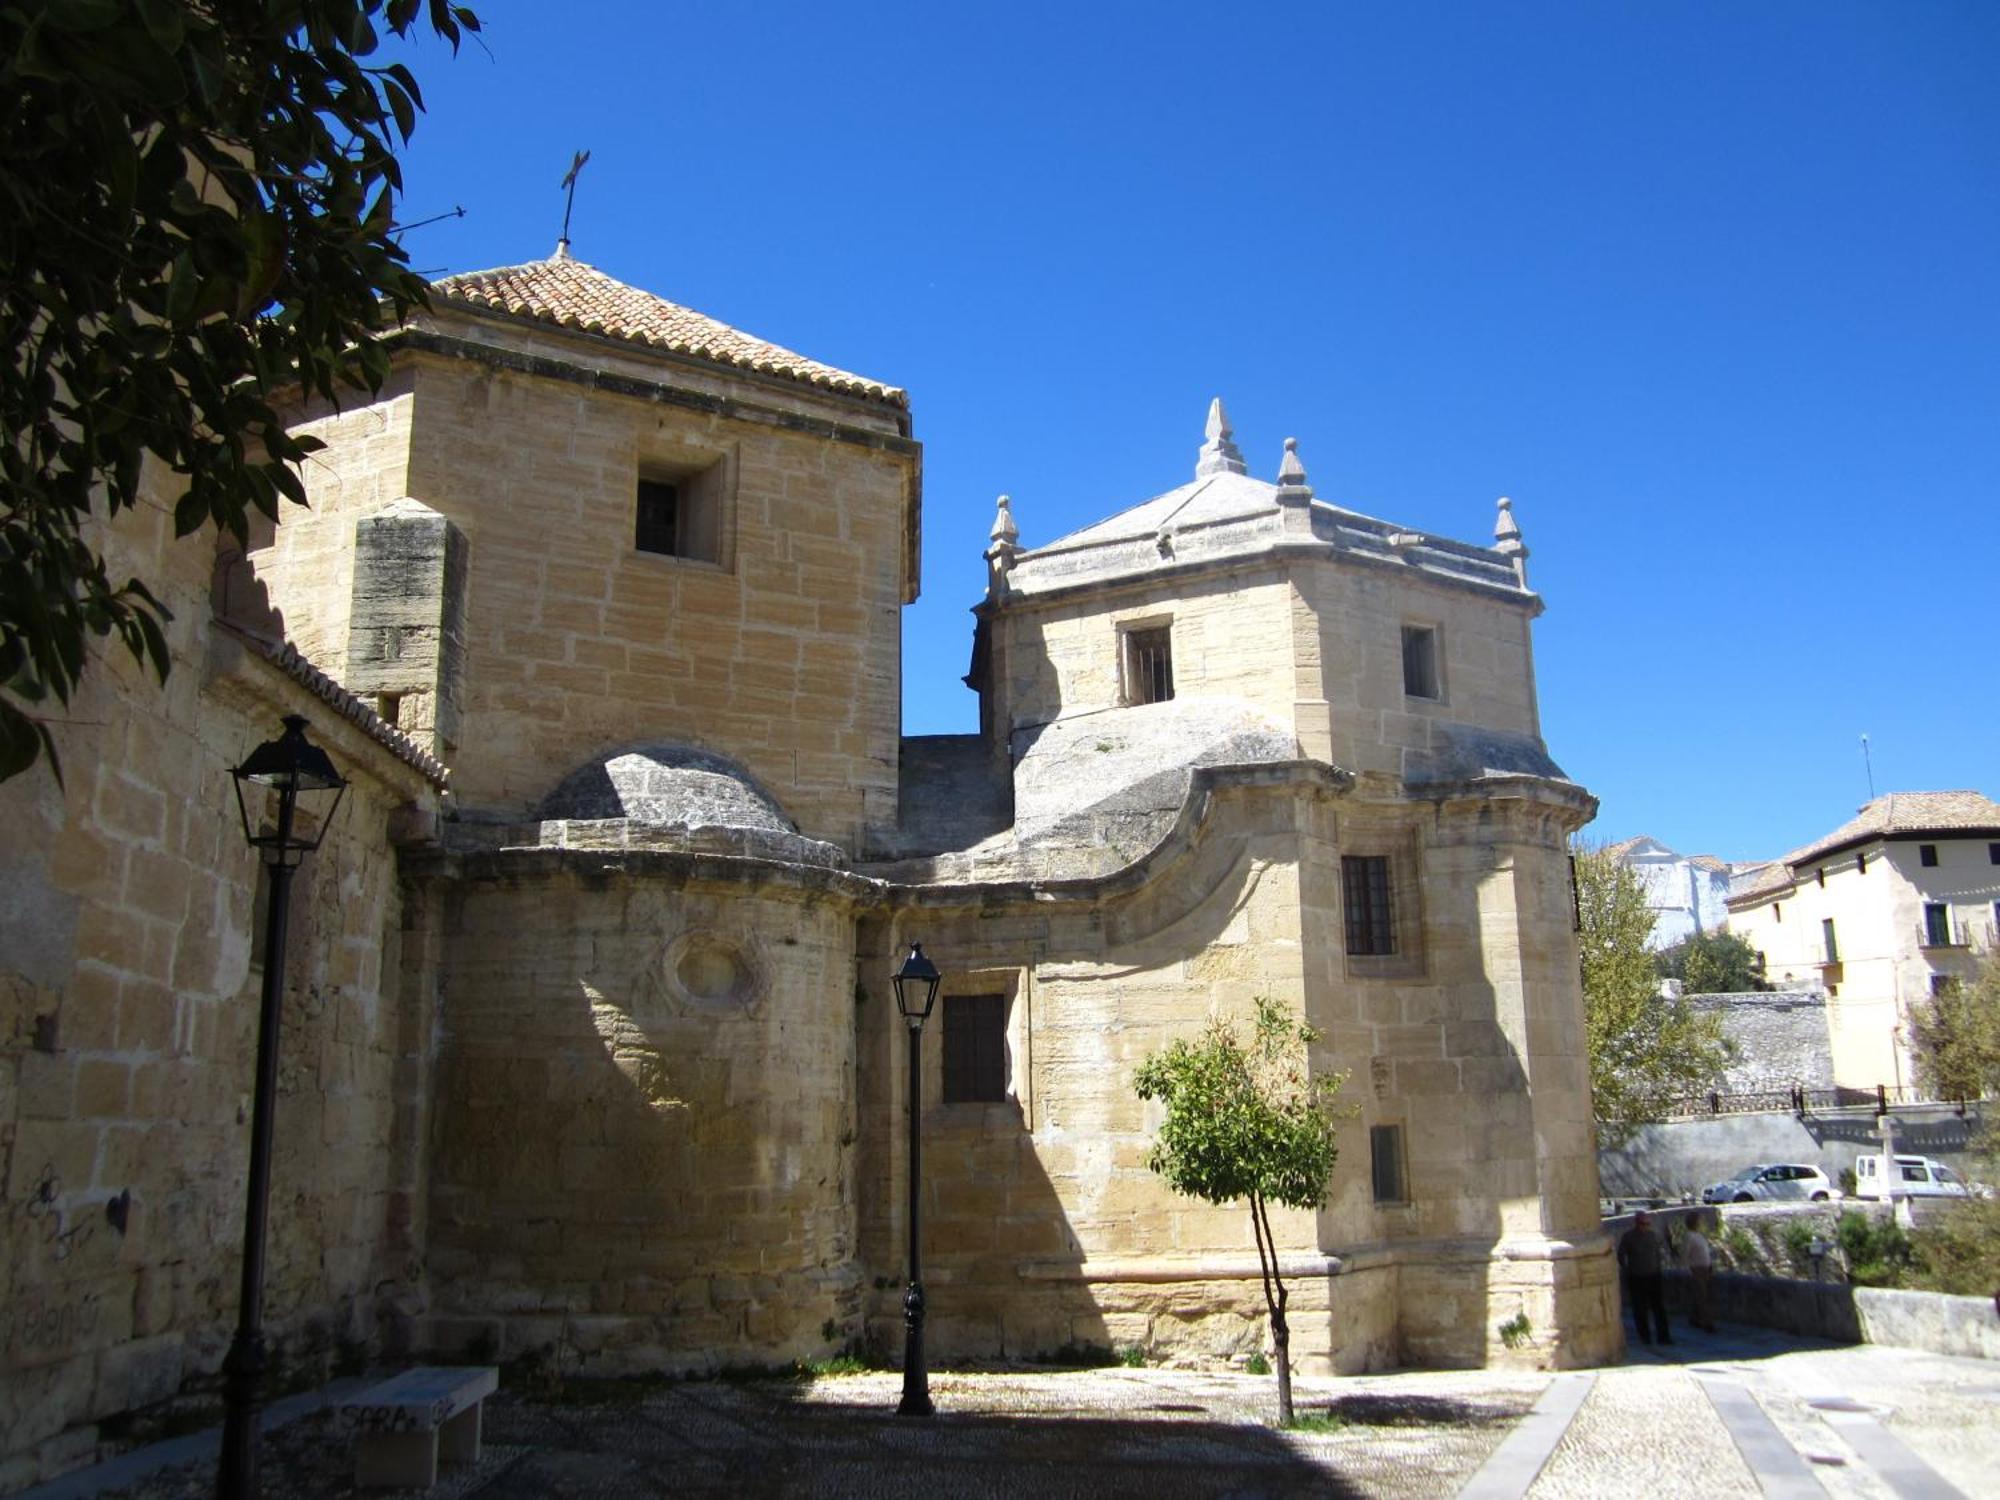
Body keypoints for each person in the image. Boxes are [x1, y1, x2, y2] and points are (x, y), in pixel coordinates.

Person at [1617, 1210, 1671, 1345]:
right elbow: (1620, 1254)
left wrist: (1659, 1267)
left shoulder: (1654, 1236)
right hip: (1636, 1277)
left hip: (1654, 1276)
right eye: (1643, 1223)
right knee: (1639, 1308)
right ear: (1637, 1223)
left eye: (1647, 1223)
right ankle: (1644, 1336)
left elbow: (1659, 1252)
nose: (1645, 1226)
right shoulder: (1628, 1237)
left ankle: (1663, 1336)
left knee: (1658, 1307)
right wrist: (1627, 1268)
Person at [1682, 1211, 1716, 1332]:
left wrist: (1710, 1265)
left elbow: (1705, 1252)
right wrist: (1688, 1270)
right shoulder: (1689, 1236)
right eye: (1699, 1221)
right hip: (1696, 1269)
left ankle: (1694, 1318)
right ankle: (1707, 1323)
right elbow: (1685, 1254)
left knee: (1700, 1296)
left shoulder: (1699, 1235)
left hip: (1705, 1269)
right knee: (1702, 1296)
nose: (1701, 1223)